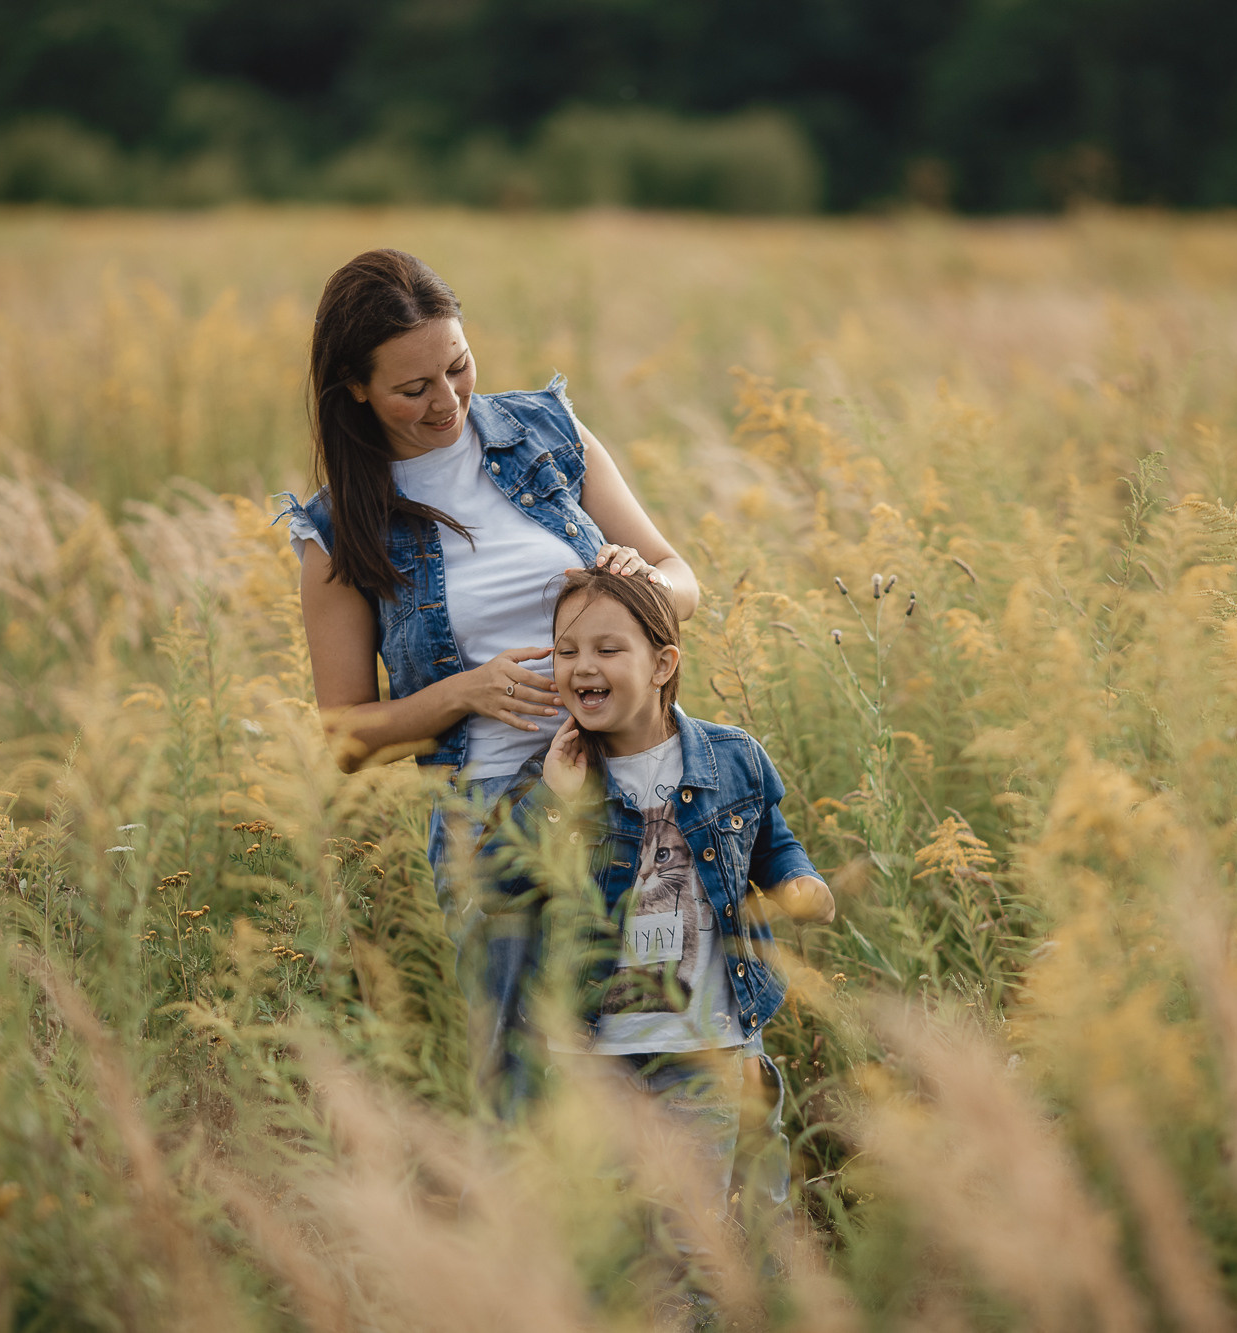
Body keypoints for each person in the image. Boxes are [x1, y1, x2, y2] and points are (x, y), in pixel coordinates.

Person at [276, 249, 698, 1111]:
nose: (448, 401)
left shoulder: (550, 433)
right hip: (499, 825)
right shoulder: (338, 533)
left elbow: (681, 576)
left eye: (458, 366)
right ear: (355, 389)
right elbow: (343, 737)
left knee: (677, 1071)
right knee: (533, 1097)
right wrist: (462, 694)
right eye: (413, 387)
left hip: (643, 790)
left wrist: (641, 584)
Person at [489, 565, 834, 1262]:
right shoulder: (552, 774)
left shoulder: (732, 758)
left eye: (608, 649)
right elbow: (502, 885)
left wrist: (800, 884)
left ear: (662, 662)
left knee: (692, 1231)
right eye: (567, 650)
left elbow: (774, 842)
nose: (583, 666)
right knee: (609, 1238)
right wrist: (555, 800)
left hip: (700, 1041)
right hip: (593, 1051)